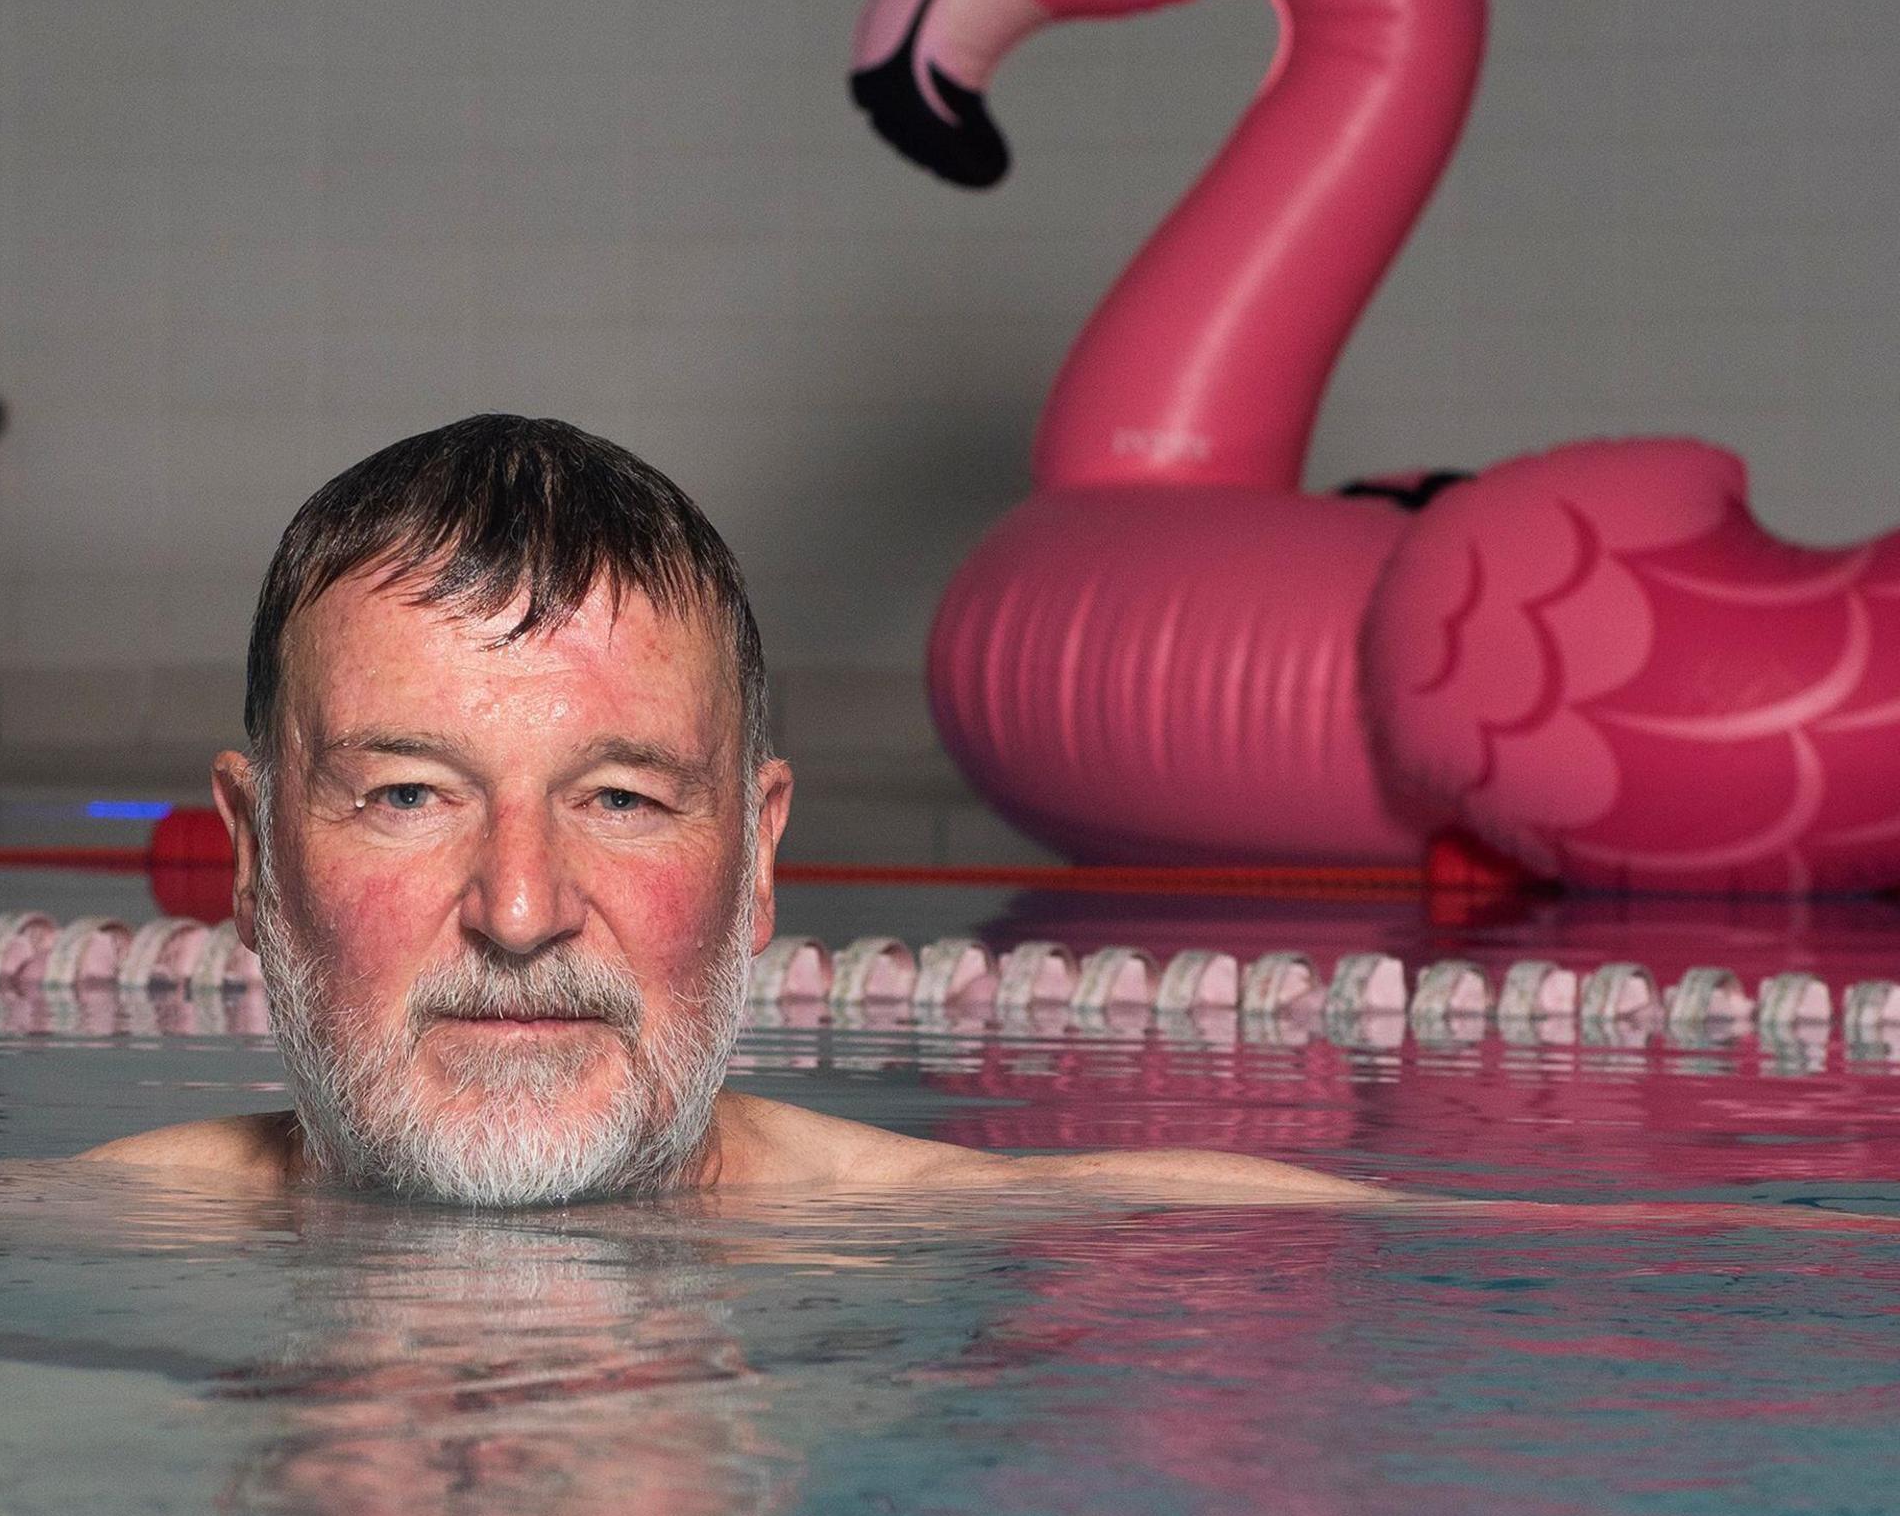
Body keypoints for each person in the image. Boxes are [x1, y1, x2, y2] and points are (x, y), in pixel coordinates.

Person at [88, 412, 1385, 1211]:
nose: (522, 910)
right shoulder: (41, 1230)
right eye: (413, 793)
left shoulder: (1119, 1240)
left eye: (621, 797)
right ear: (253, 858)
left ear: (759, 858)